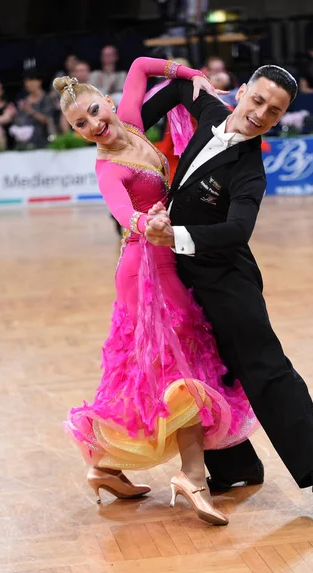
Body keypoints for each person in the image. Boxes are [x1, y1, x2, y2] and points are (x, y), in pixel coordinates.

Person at [141, 63, 313, 527]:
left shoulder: (250, 169)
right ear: (241, 92)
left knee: (266, 373)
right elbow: (176, 87)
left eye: (274, 112)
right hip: (183, 277)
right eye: (257, 101)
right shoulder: (211, 108)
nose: (260, 114)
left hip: (228, 283)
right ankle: (237, 466)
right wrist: (132, 126)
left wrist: (173, 234)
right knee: (208, 374)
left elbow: (238, 230)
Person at [54, 57, 259, 526]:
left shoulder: (129, 121)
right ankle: (193, 477)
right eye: (79, 124)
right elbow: (124, 213)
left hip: (165, 260)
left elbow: (141, 67)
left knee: (167, 367)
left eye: (93, 112)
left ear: (107, 102)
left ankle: (105, 467)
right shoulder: (108, 168)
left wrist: (191, 76)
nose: (93, 125)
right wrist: (148, 221)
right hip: (143, 267)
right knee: (171, 365)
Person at [16, 71, 56, 149]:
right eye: (26, 81)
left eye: (31, 80)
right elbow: (19, 121)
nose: (28, 84)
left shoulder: (47, 99)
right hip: (24, 139)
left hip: (43, 136)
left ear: (39, 81)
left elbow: (48, 119)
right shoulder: (23, 101)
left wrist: (31, 111)